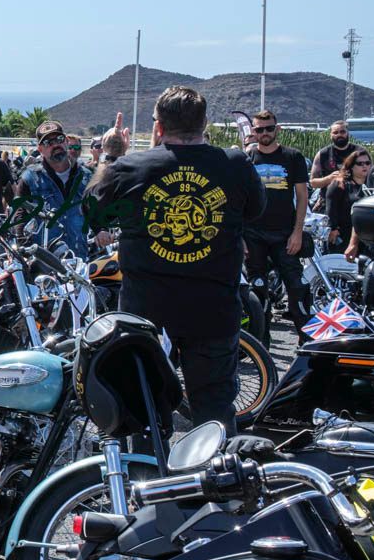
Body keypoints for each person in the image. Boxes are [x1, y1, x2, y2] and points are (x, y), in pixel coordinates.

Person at [88, 85, 264, 431]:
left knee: (142, 411)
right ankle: (215, 480)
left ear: (158, 126)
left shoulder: (129, 167)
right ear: (205, 122)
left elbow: (94, 213)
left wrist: (110, 155)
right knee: (214, 415)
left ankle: (147, 481)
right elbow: (255, 211)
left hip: (147, 315)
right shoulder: (235, 163)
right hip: (213, 312)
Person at [244, 109, 311, 333]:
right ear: (253, 131)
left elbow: (302, 197)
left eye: (269, 128)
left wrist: (298, 232)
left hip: (285, 233)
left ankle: (307, 343)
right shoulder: (246, 159)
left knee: (297, 286)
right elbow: (238, 199)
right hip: (253, 234)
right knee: (257, 289)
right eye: (259, 129)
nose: (264, 133)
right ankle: (260, 345)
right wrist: (240, 236)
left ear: (277, 129)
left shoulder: (293, 157)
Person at [18, 120, 92, 259]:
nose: (55, 145)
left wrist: (102, 231)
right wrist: (24, 249)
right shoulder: (30, 178)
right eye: (48, 143)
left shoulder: (86, 175)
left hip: (79, 257)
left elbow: (96, 210)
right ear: (40, 149)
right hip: (45, 261)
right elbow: (19, 215)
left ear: (66, 141)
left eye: (59, 139)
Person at [328, 148, 372, 251]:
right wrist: (333, 229)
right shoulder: (339, 184)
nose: (364, 166)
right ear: (351, 166)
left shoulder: (373, 185)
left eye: (367, 163)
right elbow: (331, 209)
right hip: (344, 235)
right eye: (360, 163)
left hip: (369, 236)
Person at [311, 120, 358, 192]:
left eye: (342, 132)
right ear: (331, 135)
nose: (339, 135)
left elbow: (369, 177)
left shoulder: (359, 152)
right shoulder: (323, 154)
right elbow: (313, 182)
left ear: (348, 133)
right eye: (335, 133)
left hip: (356, 198)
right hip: (328, 198)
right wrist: (329, 178)